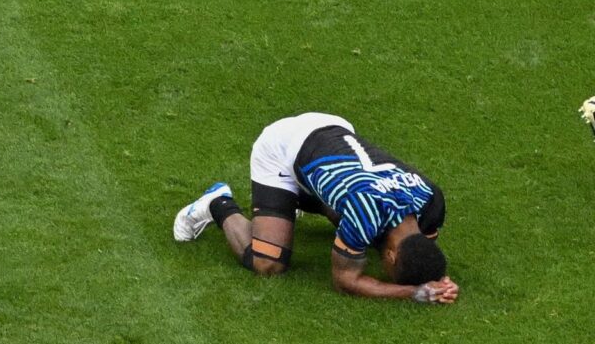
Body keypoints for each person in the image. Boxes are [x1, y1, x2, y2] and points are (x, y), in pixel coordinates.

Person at [173, 112, 459, 304]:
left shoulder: (431, 200)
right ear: (392, 255)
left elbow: (422, 249)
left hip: (333, 132)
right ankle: (218, 203)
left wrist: (437, 281)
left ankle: (288, 203)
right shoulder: (365, 212)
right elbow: (345, 281)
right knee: (268, 264)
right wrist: (414, 292)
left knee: (363, 231)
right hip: (281, 149)